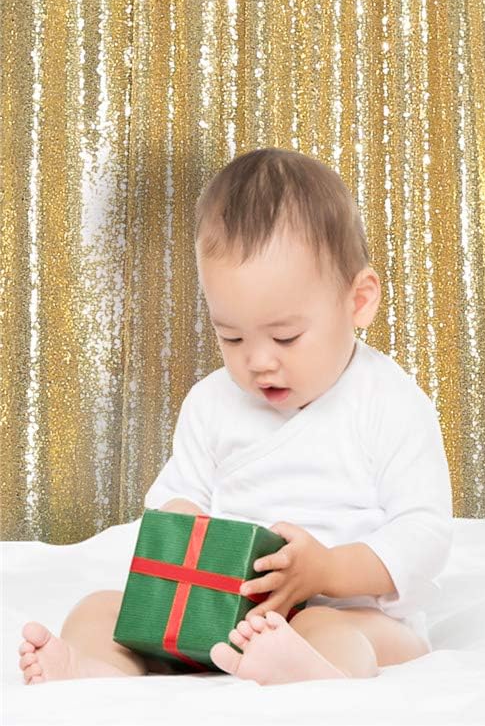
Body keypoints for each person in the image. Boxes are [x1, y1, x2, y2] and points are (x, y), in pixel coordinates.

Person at [19, 148, 453, 685]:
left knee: (331, 630)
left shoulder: (389, 402)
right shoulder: (212, 403)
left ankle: (307, 673)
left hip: (347, 609)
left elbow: (423, 533)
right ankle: (92, 670)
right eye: (231, 337)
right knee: (99, 609)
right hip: (222, 614)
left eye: (286, 336)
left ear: (358, 301)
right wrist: (182, 529)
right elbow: (177, 501)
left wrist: (328, 570)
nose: (259, 361)